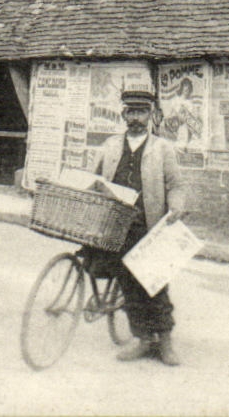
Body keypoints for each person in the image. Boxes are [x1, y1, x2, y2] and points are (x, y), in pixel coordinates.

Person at [92, 88, 189, 365]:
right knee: (129, 286)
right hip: (116, 225)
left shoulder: (162, 149)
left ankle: (165, 342)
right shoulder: (110, 146)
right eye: (131, 112)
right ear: (124, 115)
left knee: (155, 284)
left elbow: (176, 185)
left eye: (141, 112)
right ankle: (144, 339)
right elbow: (93, 179)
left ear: (151, 115)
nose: (136, 118)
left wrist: (176, 206)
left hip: (147, 225)